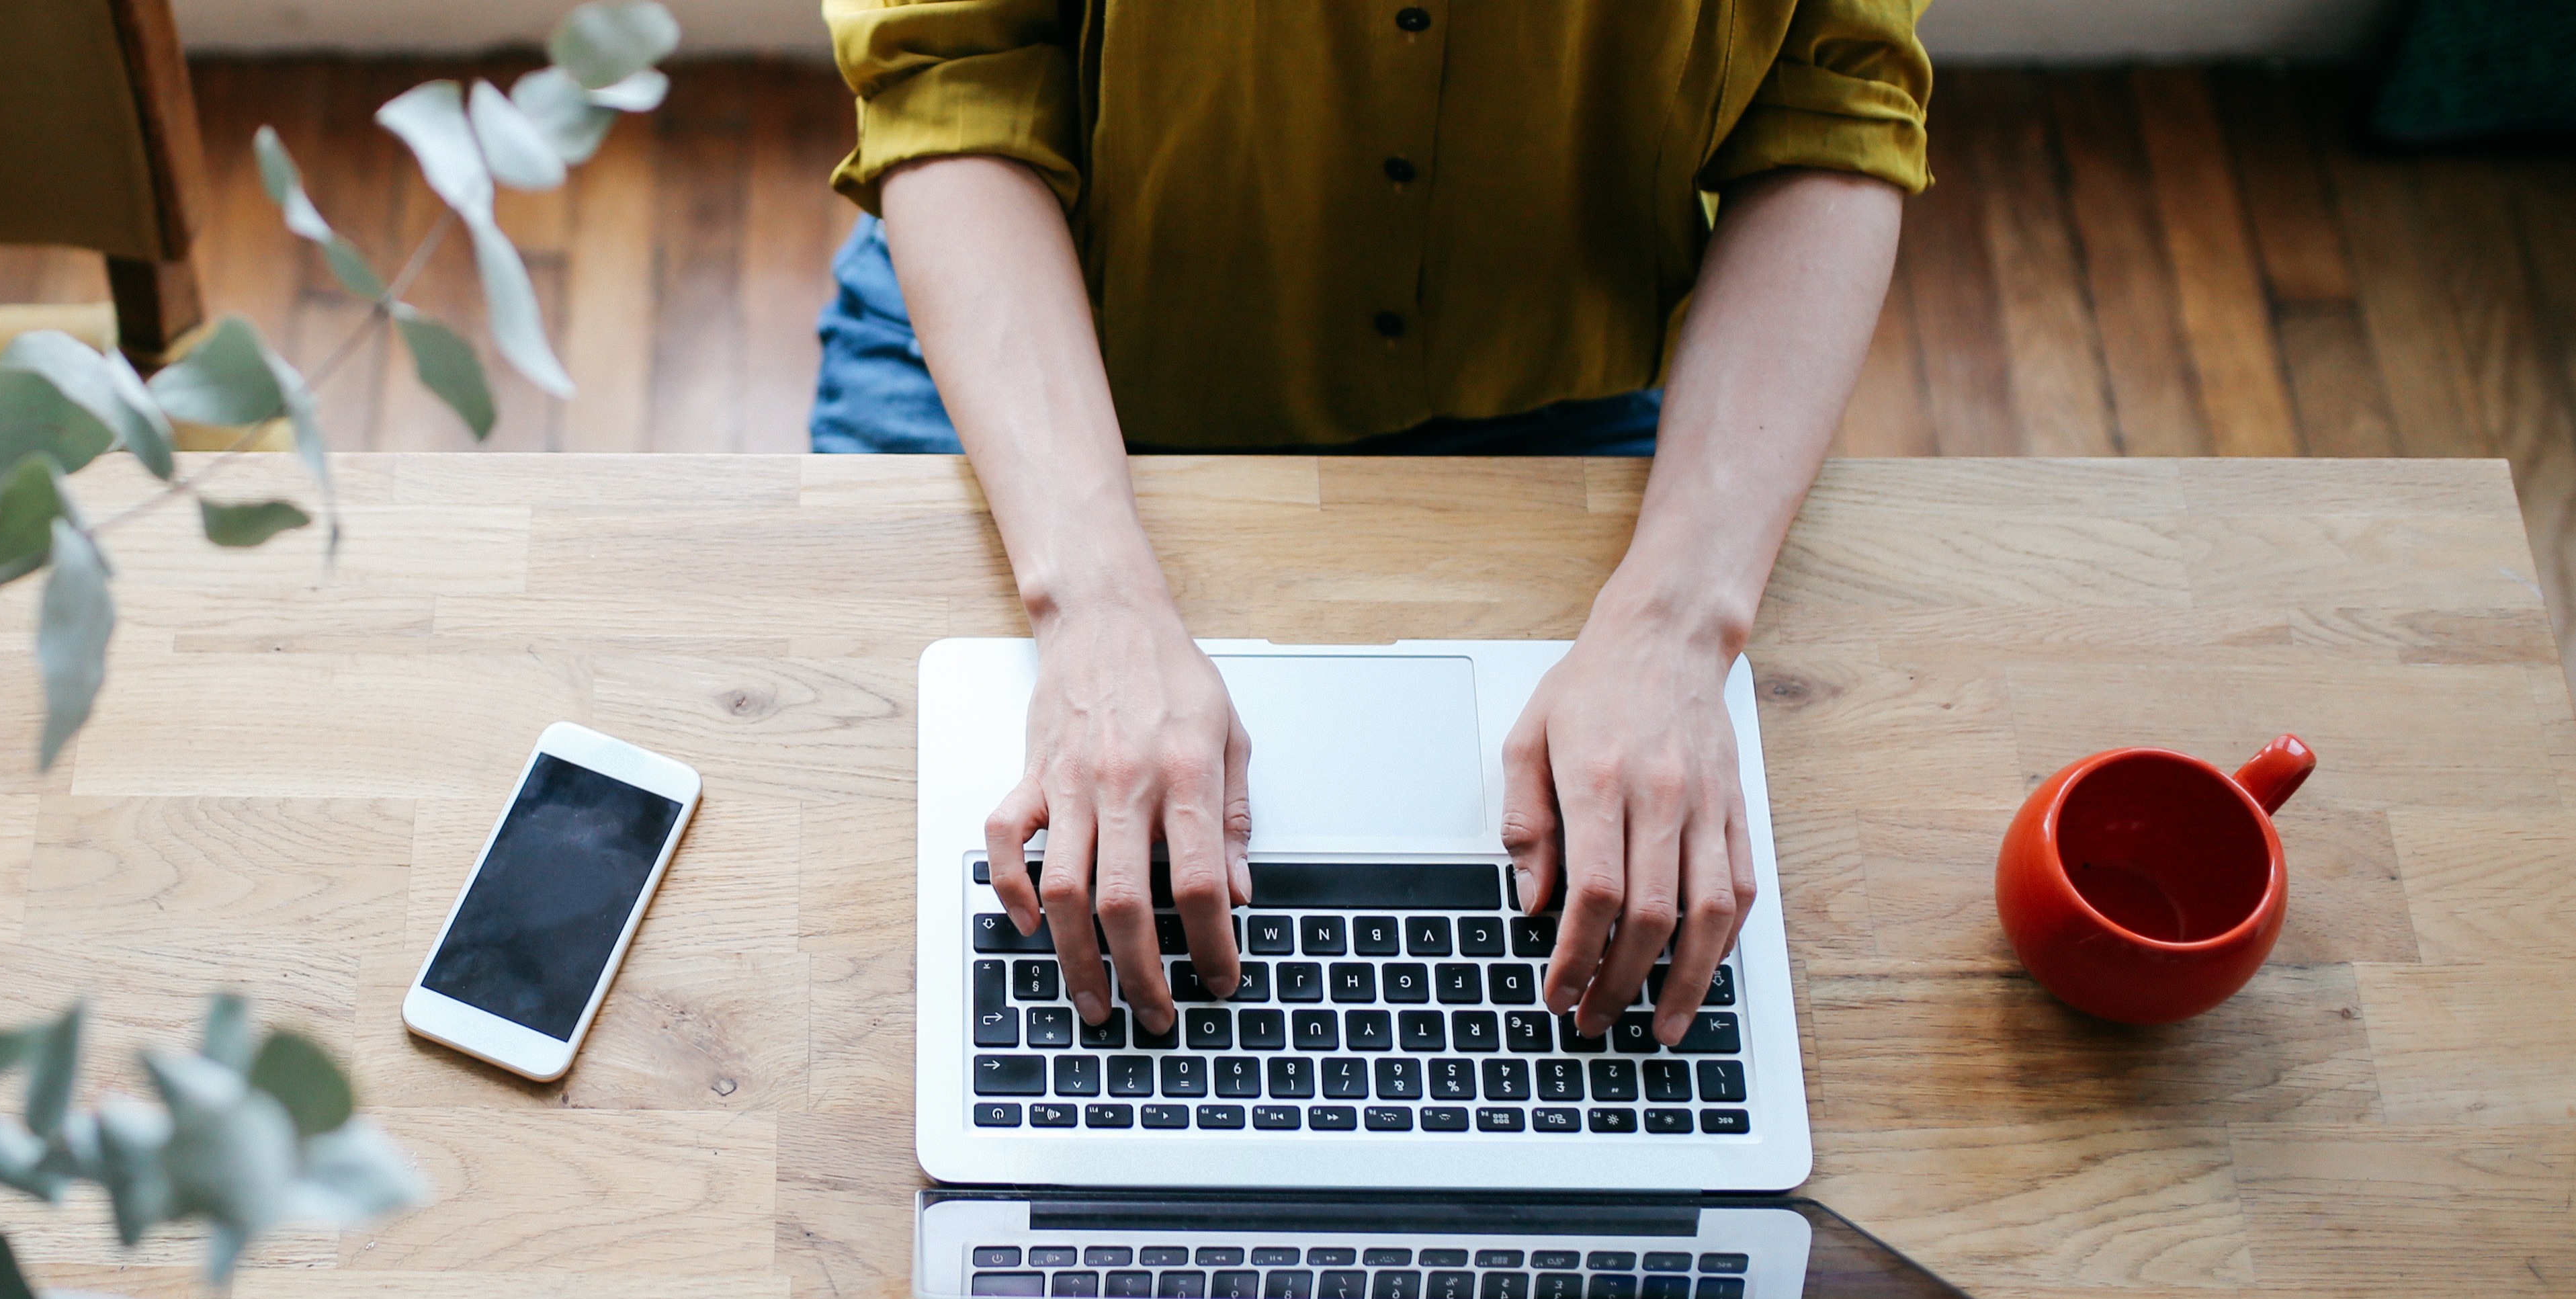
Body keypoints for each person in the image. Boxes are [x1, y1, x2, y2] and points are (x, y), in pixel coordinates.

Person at [813, 1, 1929, 1053]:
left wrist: (1680, 623)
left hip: (1553, 380)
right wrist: (1092, 602)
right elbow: (952, 68)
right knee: (864, 922)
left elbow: (1830, 105)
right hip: (1044, 336)